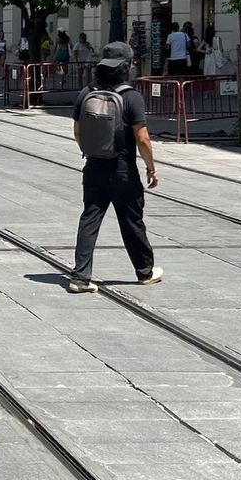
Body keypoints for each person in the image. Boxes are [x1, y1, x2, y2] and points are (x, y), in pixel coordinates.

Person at [69, 41, 161, 293]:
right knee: (132, 221)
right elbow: (142, 138)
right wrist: (151, 168)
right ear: (126, 66)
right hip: (123, 169)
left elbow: (77, 131)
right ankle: (145, 272)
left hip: (94, 166)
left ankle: (80, 277)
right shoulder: (131, 97)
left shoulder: (86, 93)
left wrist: (92, 150)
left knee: (90, 218)